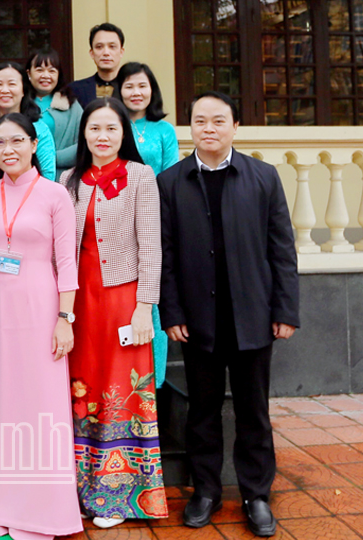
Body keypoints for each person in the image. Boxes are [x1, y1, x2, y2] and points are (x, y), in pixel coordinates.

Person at [158, 92, 299, 537]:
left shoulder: (263, 177)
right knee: (202, 411)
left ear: (235, 126)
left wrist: (285, 309)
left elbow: (282, 249)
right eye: (200, 120)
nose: (209, 128)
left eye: (219, 120)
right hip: (197, 318)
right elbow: (166, 255)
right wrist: (172, 311)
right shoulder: (171, 181)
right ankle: (206, 491)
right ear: (190, 128)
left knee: (253, 410)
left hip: (253, 315)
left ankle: (256, 494)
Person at [0, 113, 83, 540]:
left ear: (34, 144)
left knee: (40, 400)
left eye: (17, 141)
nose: (8, 149)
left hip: (41, 307)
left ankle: (41, 503)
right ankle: (0, 498)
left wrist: (65, 319)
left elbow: (67, 262)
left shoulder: (55, 194)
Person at [59, 97, 167, 528]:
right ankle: (77, 491)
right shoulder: (68, 179)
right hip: (79, 302)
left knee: (121, 391)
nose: (102, 137)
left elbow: (152, 247)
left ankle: (118, 498)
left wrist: (145, 308)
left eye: (111, 128)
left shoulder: (140, 176)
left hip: (124, 301)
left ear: (124, 133)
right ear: (83, 133)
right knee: (80, 389)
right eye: (94, 128)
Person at [115, 61, 180, 389]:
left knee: (151, 297)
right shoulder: (113, 125)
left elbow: (171, 176)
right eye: (129, 86)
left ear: (152, 90)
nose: (136, 92)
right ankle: (121, 379)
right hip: (115, 220)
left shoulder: (164, 130)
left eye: (142, 85)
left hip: (155, 220)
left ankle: (154, 382)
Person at [0, 61, 57, 184]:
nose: (5, 90)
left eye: (12, 84)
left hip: (32, 195)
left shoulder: (40, 130)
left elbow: (47, 175)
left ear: (23, 90)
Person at [26, 48, 83, 179]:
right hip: (25, 177)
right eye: (39, 70)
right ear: (29, 73)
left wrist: (51, 158)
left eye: (52, 71)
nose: (46, 75)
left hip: (63, 178)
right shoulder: (19, 103)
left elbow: (85, 143)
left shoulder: (71, 105)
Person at [68, 23, 125, 107]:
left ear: (121, 52)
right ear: (91, 53)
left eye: (112, 46)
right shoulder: (74, 90)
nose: (106, 53)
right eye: (99, 47)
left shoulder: (132, 89)